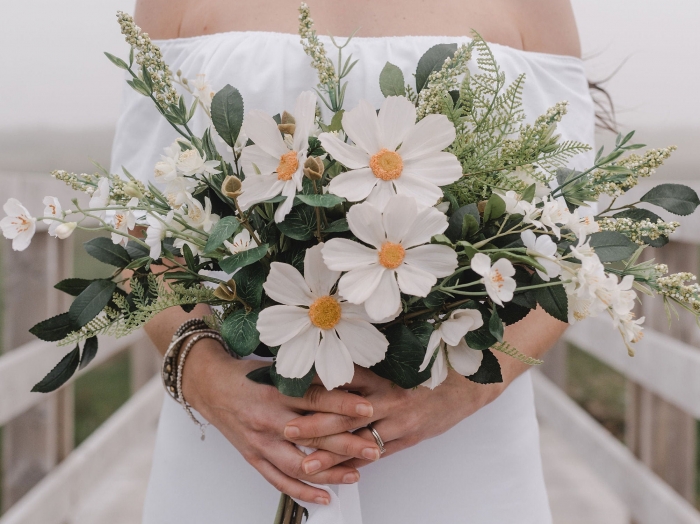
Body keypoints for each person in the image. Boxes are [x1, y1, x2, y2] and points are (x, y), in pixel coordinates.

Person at [111, 1, 596, 521]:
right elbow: (135, 240)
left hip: (451, 445)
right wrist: (207, 380)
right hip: (237, 440)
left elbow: (571, 254)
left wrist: (461, 395)